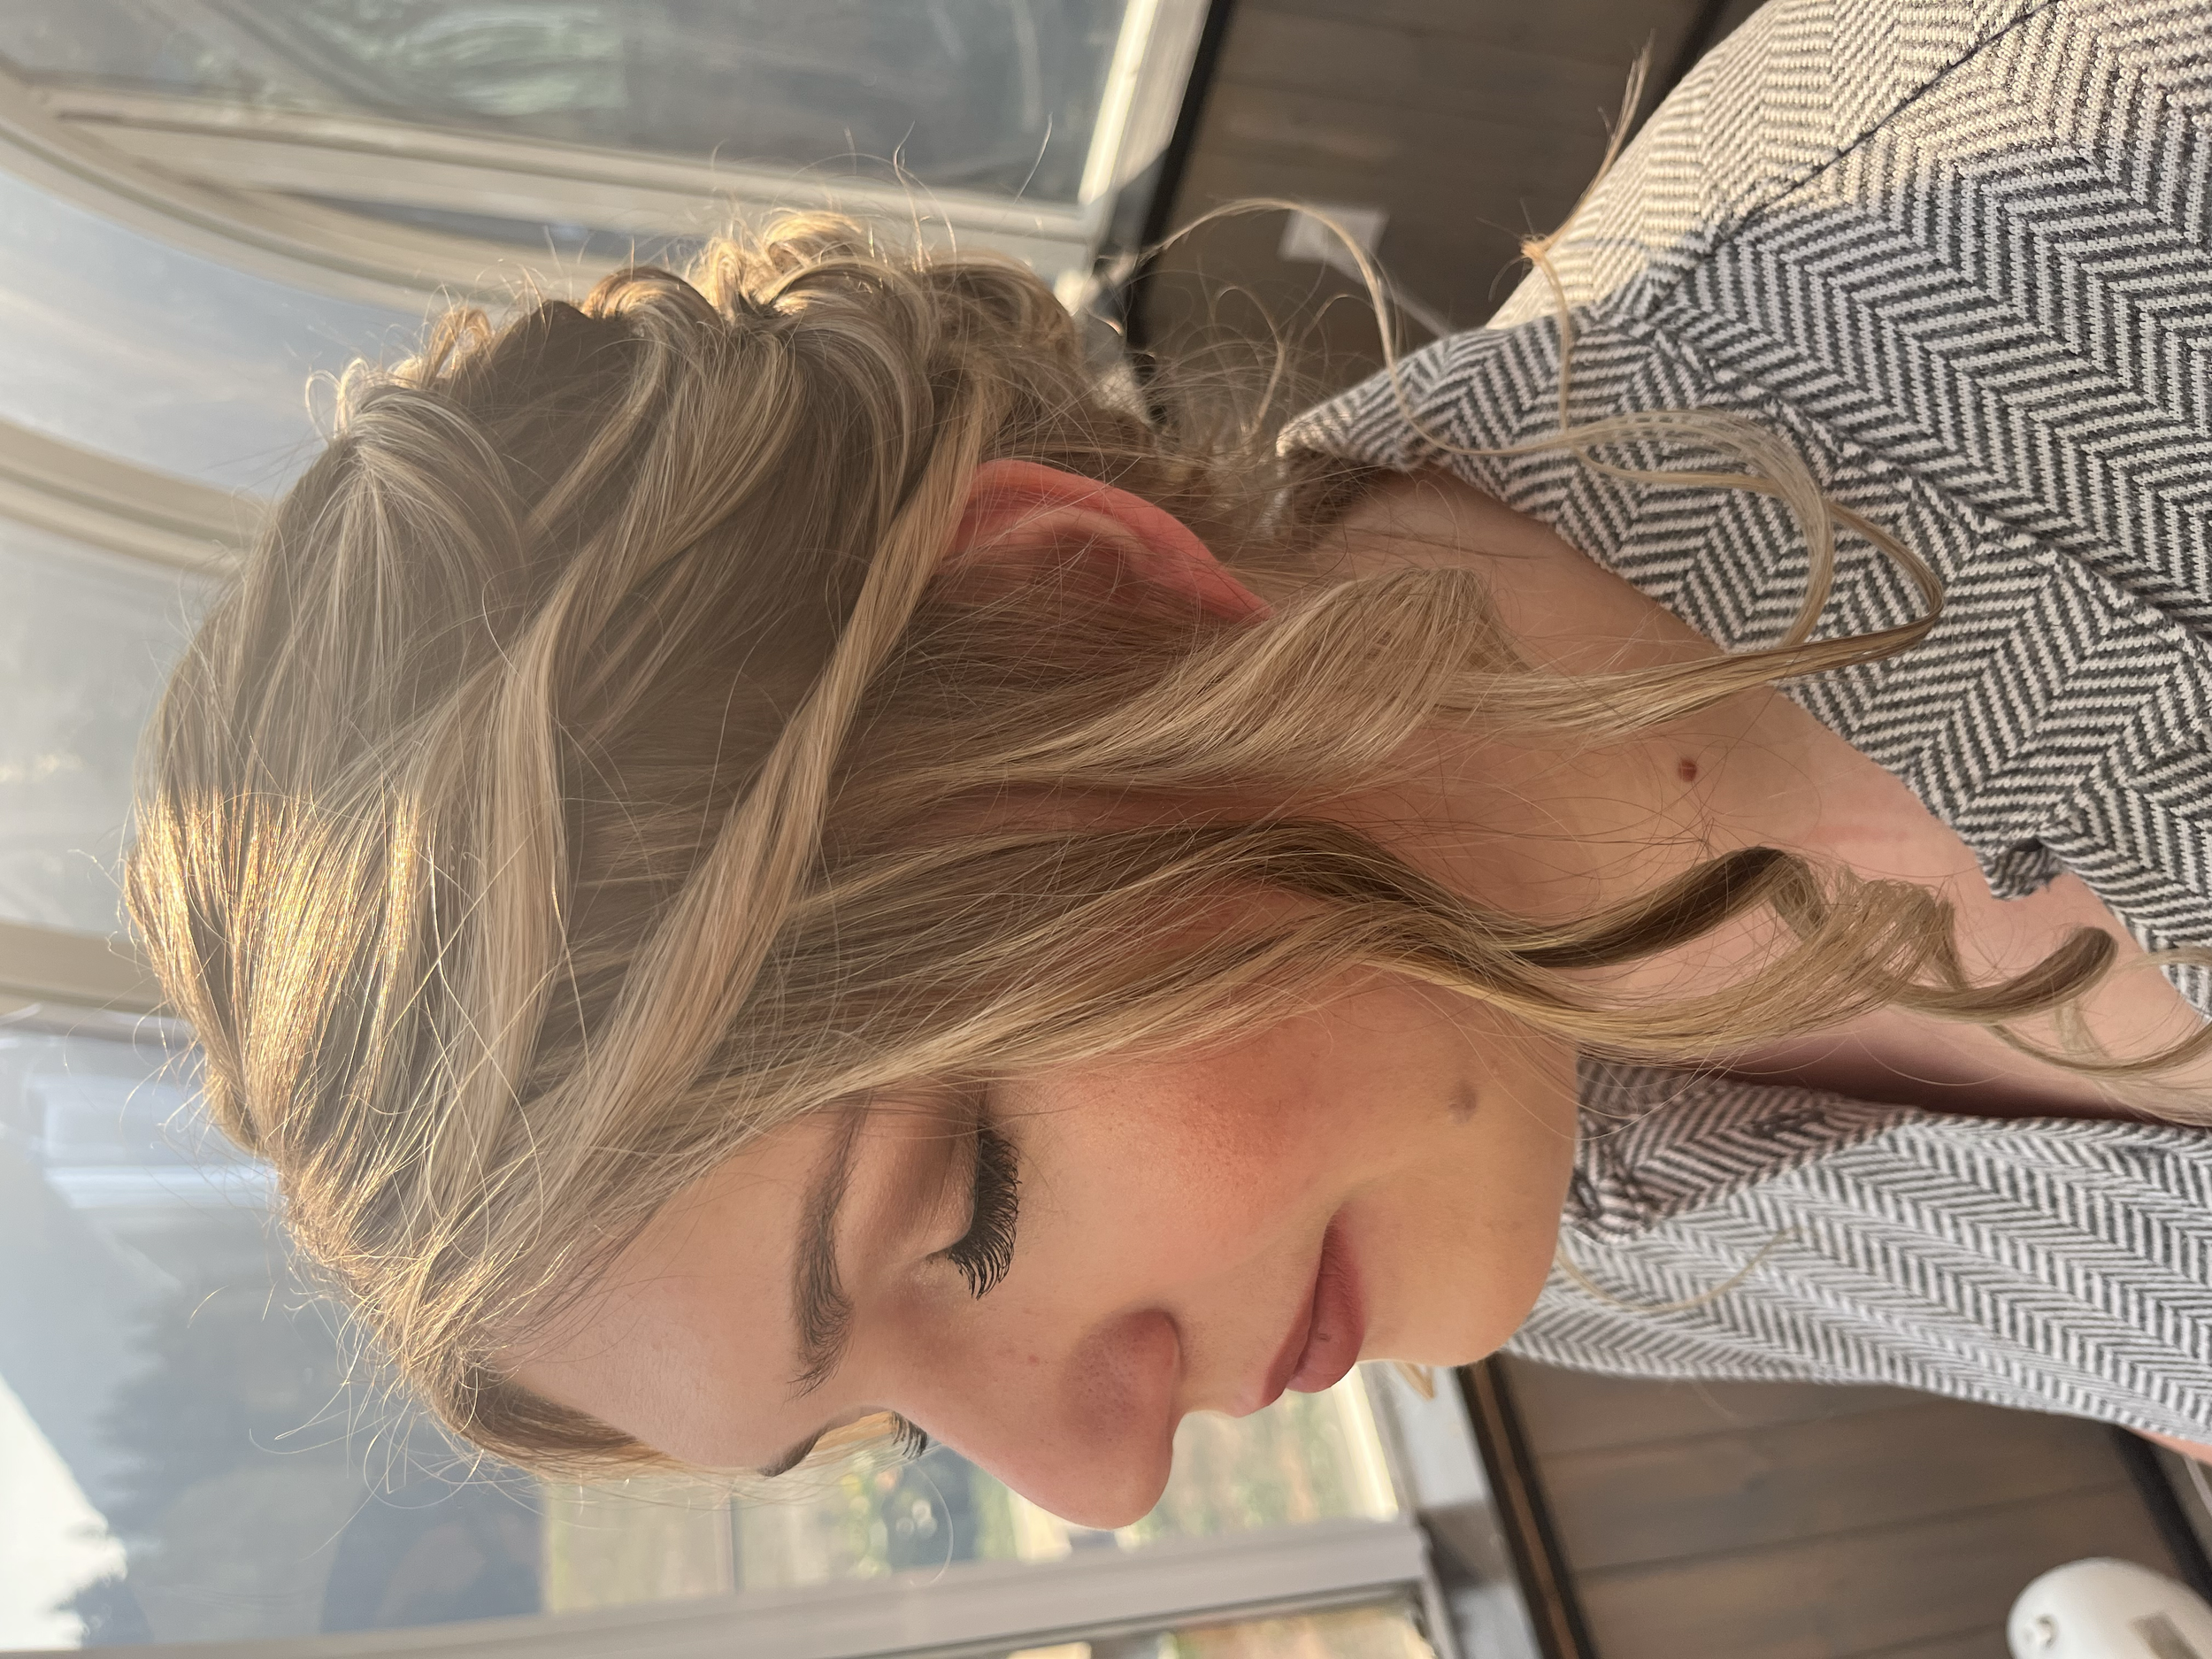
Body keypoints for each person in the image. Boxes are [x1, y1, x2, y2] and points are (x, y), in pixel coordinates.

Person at [125, 0, 2212, 1528]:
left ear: (1077, 607)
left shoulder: (2111, 153)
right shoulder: (1535, 1210)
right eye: (898, 1423)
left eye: (959, 1214)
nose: (1098, 1472)